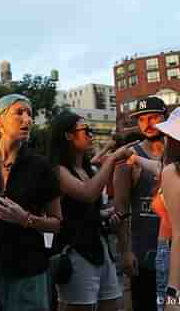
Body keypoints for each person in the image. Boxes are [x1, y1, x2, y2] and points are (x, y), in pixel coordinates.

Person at [0, 94, 62, 311]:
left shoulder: (41, 166)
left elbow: (56, 223)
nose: (27, 119)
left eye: (29, 114)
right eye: (19, 113)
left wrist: (26, 219)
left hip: (28, 275)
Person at [126, 106, 180, 310]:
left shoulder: (175, 173)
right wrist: (136, 158)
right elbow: (161, 170)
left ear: (174, 138)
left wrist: (174, 294)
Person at [49, 112, 125, 311]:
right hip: (74, 250)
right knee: (80, 306)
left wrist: (105, 216)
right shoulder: (58, 170)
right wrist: (112, 159)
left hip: (98, 246)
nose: (91, 135)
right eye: (86, 131)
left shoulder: (86, 169)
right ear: (68, 135)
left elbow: (87, 208)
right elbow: (88, 193)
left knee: (113, 302)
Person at [113, 96, 167, 311]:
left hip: (179, 249)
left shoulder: (179, 151)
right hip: (144, 253)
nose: (148, 124)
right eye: (142, 119)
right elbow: (120, 207)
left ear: (165, 117)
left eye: (153, 117)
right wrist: (125, 251)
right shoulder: (130, 157)